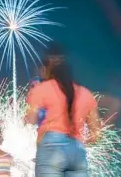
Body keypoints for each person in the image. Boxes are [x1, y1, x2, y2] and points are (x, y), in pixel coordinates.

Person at [24, 43, 101, 177]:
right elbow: (96, 135)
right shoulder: (85, 93)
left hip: (50, 148)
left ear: (47, 70)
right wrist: (78, 144)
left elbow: (31, 118)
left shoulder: (40, 89)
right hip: (77, 149)